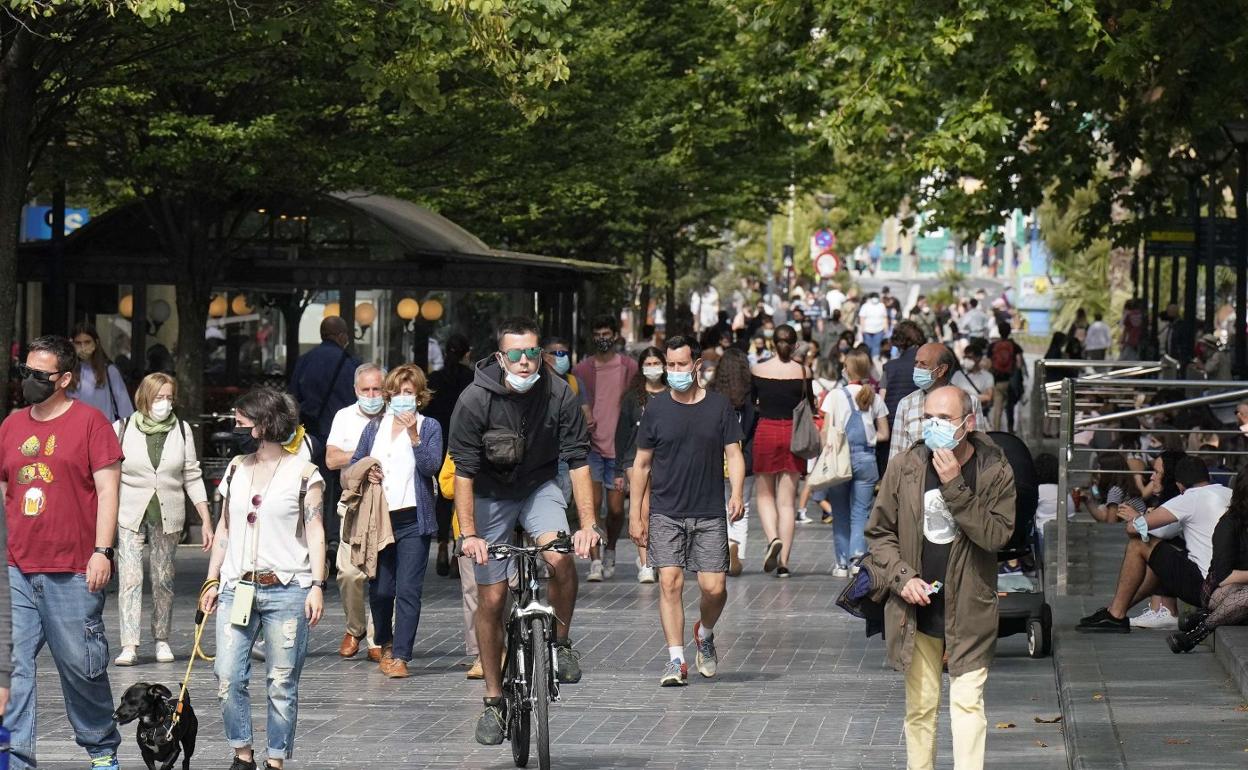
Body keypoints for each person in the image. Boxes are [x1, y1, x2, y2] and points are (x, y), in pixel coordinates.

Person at [449, 317, 599, 747]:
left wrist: (588, 525)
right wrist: (470, 534)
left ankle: (562, 643)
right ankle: (494, 701)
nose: (524, 361)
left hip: (539, 487)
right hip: (491, 497)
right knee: (492, 598)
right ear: (500, 357)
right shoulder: (474, 399)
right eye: (515, 353)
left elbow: (578, 459)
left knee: (561, 556)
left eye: (532, 352)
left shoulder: (559, 394)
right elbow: (463, 472)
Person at [866, 385, 1017, 770]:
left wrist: (954, 486)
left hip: (970, 607)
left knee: (967, 706)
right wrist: (903, 578)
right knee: (920, 707)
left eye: (944, 419)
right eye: (928, 417)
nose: (934, 425)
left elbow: (996, 535)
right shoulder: (906, 465)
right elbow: (880, 533)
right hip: (915, 610)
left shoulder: (994, 469)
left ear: (968, 423)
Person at [1, 335, 121, 770]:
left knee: (81, 666)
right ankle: (15, 759)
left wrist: (102, 551)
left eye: (39, 374)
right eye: (25, 371)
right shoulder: (11, 425)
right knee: (13, 669)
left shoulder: (91, 423)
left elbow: (109, 492)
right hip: (16, 566)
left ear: (65, 378)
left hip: (73, 568)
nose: (28, 380)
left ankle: (102, 748)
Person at [628, 336, 745, 686]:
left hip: (709, 511)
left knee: (714, 589)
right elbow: (642, 464)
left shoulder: (719, 407)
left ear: (697, 365)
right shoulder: (657, 409)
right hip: (666, 512)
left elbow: (735, 454)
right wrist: (637, 516)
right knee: (669, 582)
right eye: (670, 365)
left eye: (681, 365)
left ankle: (704, 633)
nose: (674, 372)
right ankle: (676, 660)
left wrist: (737, 492)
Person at [348, 364, 443, 678]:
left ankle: (401, 655)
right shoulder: (374, 428)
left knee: (408, 589)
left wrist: (414, 436)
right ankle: (385, 643)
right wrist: (367, 470)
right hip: (379, 520)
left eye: (409, 393)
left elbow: (431, 466)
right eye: (398, 392)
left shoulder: (429, 426)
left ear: (418, 397)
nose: (402, 398)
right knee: (381, 588)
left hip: (414, 519)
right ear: (389, 395)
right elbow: (353, 465)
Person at [113, 372, 213, 666]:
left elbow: (192, 475)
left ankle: (161, 639)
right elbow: (109, 476)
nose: (165, 403)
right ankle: (129, 644)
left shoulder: (181, 430)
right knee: (129, 579)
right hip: (131, 513)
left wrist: (206, 518)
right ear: (145, 398)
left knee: (163, 579)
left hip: (167, 515)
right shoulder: (122, 428)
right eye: (159, 398)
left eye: (169, 398)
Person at [1077, 457, 1232, 634]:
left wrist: (1137, 517)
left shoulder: (1190, 498)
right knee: (1163, 554)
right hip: (1231, 584)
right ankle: (1114, 609)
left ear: (1179, 484)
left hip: (1206, 586)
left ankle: (1116, 614)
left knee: (1139, 545)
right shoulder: (1229, 493)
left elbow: (1134, 528)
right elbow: (1168, 531)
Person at [325, 363, 386, 662]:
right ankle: (355, 627)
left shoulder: (393, 417)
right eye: (366, 390)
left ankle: (377, 638)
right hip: (354, 503)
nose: (372, 395)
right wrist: (364, 456)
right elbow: (331, 458)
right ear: (356, 391)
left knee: (382, 573)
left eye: (377, 389)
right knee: (349, 573)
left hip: (387, 505)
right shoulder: (344, 417)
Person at [572, 314, 638, 581]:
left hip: (619, 449)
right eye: (597, 333)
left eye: (606, 333)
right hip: (591, 448)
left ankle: (610, 548)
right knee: (592, 506)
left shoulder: (629, 367)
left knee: (615, 509)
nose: (602, 338)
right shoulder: (582, 370)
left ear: (615, 335)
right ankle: (596, 561)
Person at [750, 324, 810, 578]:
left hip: (766, 430)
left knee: (764, 496)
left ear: (773, 343)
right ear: (795, 345)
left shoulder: (758, 369)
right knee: (787, 501)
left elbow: (753, 404)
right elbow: (811, 405)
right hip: (794, 434)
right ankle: (784, 561)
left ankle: (773, 538)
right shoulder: (804, 372)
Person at [1168, 467, 1248, 652]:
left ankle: (1203, 618)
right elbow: (1224, 577)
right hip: (1219, 589)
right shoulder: (1229, 524)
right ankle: (1197, 634)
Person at [825, 350, 889, 577]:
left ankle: (841, 563)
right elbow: (884, 433)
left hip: (839, 459)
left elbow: (826, 431)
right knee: (861, 512)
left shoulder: (834, 396)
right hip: (866, 458)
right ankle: (857, 558)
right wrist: (870, 437)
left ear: (847, 370)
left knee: (840, 511)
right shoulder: (875, 397)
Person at [614, 347, 667, 583]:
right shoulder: (632, 398)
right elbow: (621, 433)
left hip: (665, 457)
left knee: (658, 510)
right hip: (633, 457)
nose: (653, 367)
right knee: (643, 507)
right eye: (649, 363)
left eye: (657, 362)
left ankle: (655, 555)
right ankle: (646, 564)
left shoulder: (672, 394)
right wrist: (617, 469)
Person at [426, 333, 474, 577]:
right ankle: (458, 548)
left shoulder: (434, 379)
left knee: (443, 497)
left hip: (438, 440)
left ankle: (443, 545)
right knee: (463, 495)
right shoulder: (473, 379)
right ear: (467, 354)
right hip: (464, 443)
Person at [707, 346, 757, 576]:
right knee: (741, 506)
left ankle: (723, 549)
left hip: (716, 458)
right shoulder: (750, 394)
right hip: (743, 458)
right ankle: (737, 548)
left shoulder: (712, 393)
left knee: (720, 504)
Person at [890, 343, 986, 460]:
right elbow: (896, 454)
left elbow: (981, 450)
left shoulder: (970, 401)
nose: (917, 368)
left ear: (941, 370)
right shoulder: (906, 404)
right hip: (915, 476)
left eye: (923, 364)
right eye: (916, 363)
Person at [69, 322, 134, 423]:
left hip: (103, 429)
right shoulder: (67, 371)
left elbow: (124, 407)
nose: (83, 347)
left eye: (87, 342)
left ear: (96, 342)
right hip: (75, 429)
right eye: (78, 343)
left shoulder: (109, 370)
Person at [987, 323, 1025, 432]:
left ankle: (997, 431)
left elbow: (989, 364)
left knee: (997, 408)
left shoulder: (993, 346)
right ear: (1009, 331)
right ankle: (1010, 430)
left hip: (997, 381)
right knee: (1010, 407)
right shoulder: (1014, 346)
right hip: (1010, 381)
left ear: (999, 331)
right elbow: (1019, 364)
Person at [857, 293, 890, 358]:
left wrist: (886, 328)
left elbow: (885, 317)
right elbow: (862, 318)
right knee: (867, 346)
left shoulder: (881, 305)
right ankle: (867, 360)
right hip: (867, 330)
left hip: (879, 330)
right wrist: (862, 329)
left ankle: (875, 361)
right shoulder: (865, 306)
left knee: (876, 346)